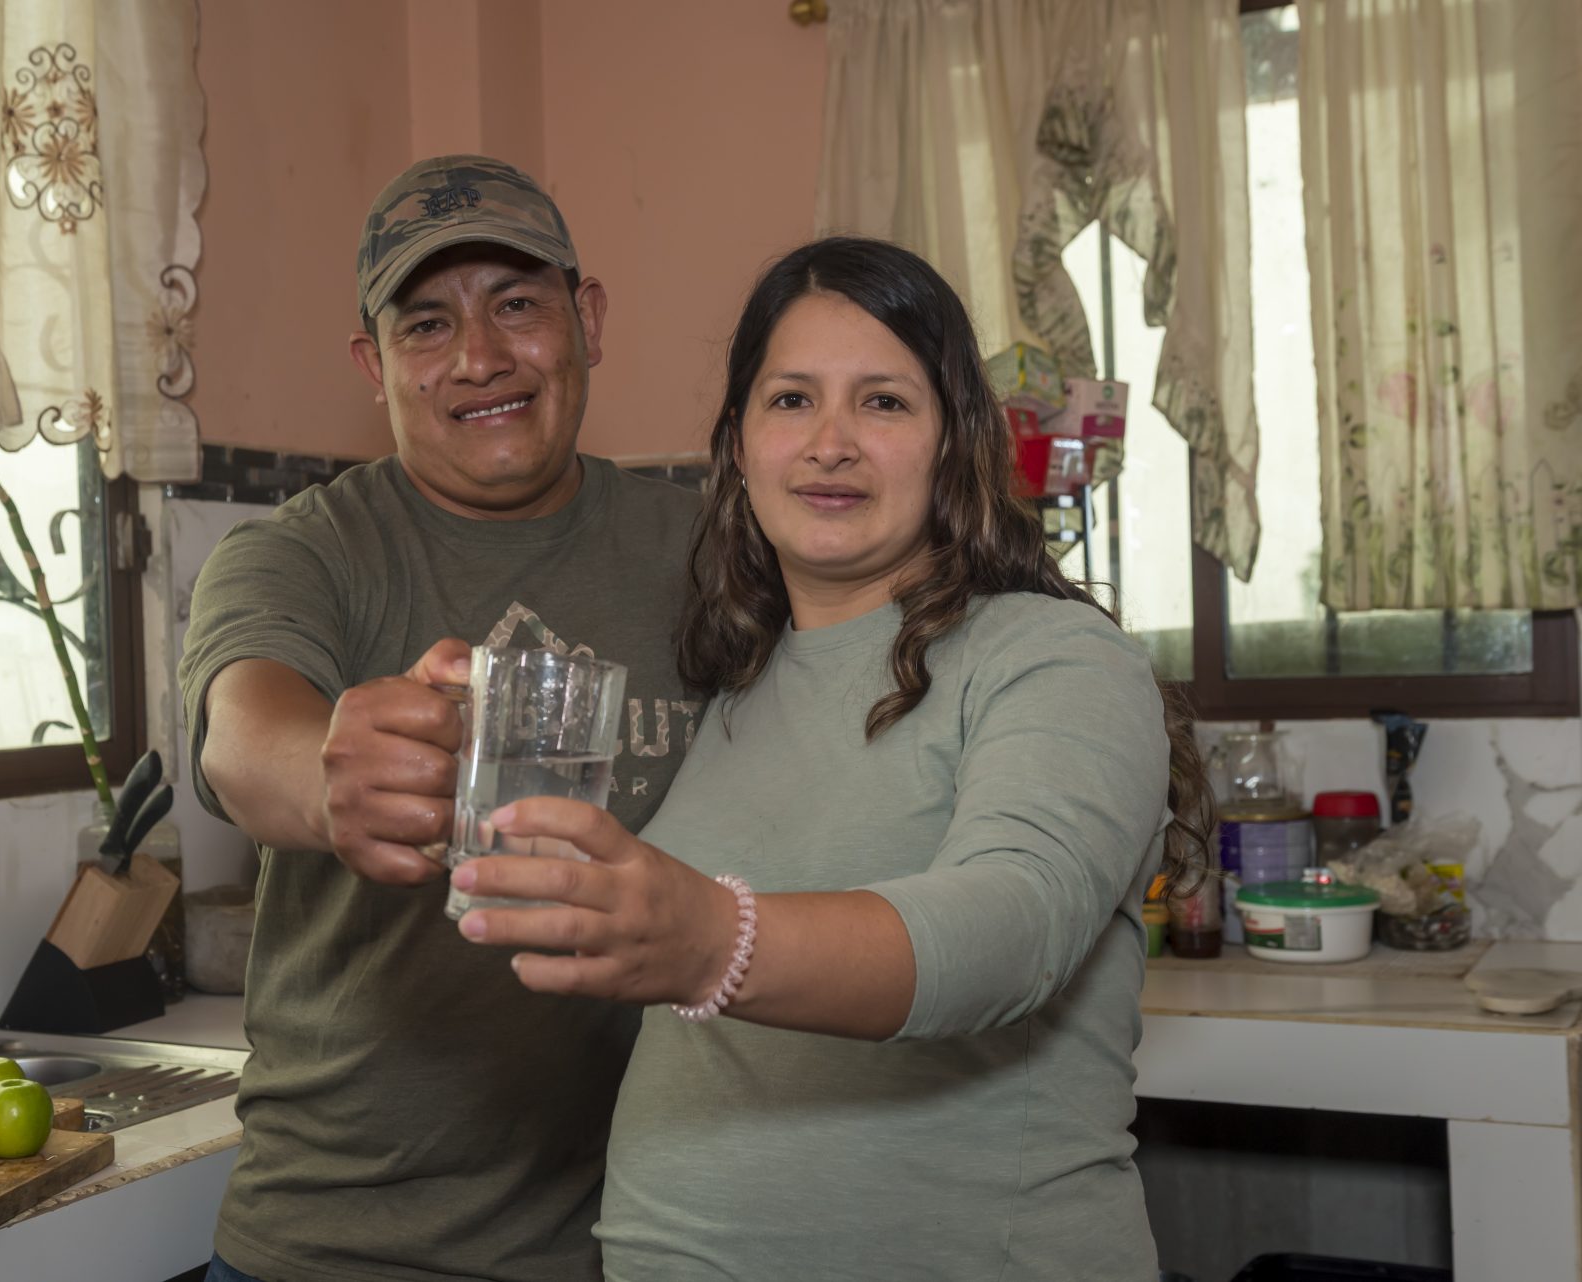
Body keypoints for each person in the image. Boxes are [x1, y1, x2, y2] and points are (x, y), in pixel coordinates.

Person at [451, 236, 1216, 1281]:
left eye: (885, 403)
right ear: (738, 441)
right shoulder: (730, 685)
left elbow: (1011, 927)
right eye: (792, 400)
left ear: (958, 440)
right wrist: (457, 790)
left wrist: (715, 940)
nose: (831, 444)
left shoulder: (1055, 659)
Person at [178, 155, 702, 1282]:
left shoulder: (708, 554)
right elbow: (244, 730)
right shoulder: (303, 551)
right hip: (339, 1248)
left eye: (517, 304)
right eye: (426, 324)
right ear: (373, 364)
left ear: (588, 318)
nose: (479, 358)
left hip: (639, 1239)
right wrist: (334, 779)